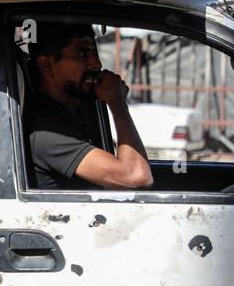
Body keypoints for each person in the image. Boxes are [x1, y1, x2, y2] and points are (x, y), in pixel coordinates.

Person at [26, 22, 154, 191]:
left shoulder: (74, 113)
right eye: (82, 54)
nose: (97, 64)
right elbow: (136, 177)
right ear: (47, 65)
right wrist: (118, 105)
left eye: (94, 53)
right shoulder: (46, 132)